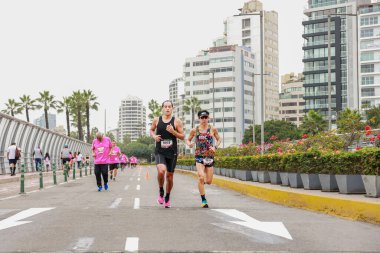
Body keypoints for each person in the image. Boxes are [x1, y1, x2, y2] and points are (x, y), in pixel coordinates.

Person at [150, 100, 185, 208]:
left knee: (169, 177)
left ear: (172, 108)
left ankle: (167, 196)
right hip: (160, 151)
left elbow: (183, 136)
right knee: (161, 171)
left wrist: (173, 132)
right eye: (165, 106)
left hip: (172, 152)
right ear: (162, 108)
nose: (167, 108)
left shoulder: (176, 121)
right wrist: (154, 136)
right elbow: (151, 130)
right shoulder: (157, 120)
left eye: (169, 106)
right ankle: (161, 190)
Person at [186, 110, 221, 208]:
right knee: (201, 177)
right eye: (202, 118)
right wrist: (189, 144)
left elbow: (219, 139)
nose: (204, 119)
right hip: (199, 157)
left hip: (209, 157)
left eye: (206, 117)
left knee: (209, 181)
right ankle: (204, 200)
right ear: (199, 119)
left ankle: (201, 184)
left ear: (208, 118)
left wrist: (215, 147)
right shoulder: (194, 130)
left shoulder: (212, 129)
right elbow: (188, 140)